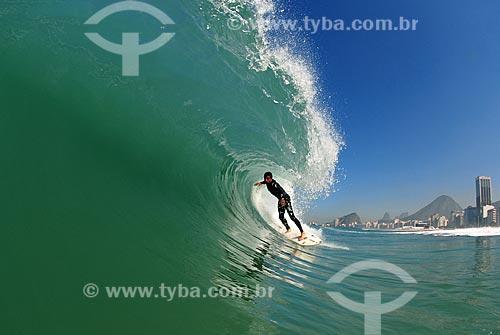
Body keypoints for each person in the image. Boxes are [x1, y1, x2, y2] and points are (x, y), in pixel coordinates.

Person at [254, 172, 306, 241]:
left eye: (268, 179)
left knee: (292, 217)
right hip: (280, 200)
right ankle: (288, 228)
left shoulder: (274, 185)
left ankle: (302, 232)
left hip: (285, 199)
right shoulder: (267, 182)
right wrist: (261, 183)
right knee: (281, 217)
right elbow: (265, 182)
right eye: (265, 179)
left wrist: (282, 199)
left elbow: (282, 192)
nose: (266, 180)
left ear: (271, 178)